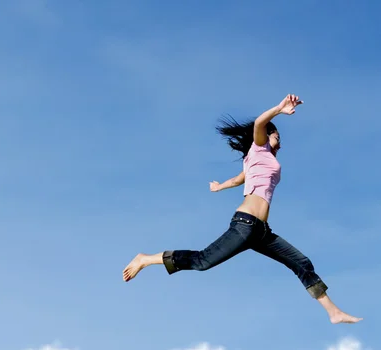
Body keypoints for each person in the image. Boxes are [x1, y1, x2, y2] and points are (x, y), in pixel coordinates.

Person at [123, 94, 362, 324]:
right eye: (277, 135)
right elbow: (260, 122)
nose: (280, 141)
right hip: (245, 225)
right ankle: (146, 259)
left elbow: (239, 179)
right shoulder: (259, 148)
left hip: (261, 232)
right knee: (202, 261)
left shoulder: (255, 159)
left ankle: (333, 313)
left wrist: (219, 187)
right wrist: (279, 109)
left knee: (301, 262)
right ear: (267, 136)